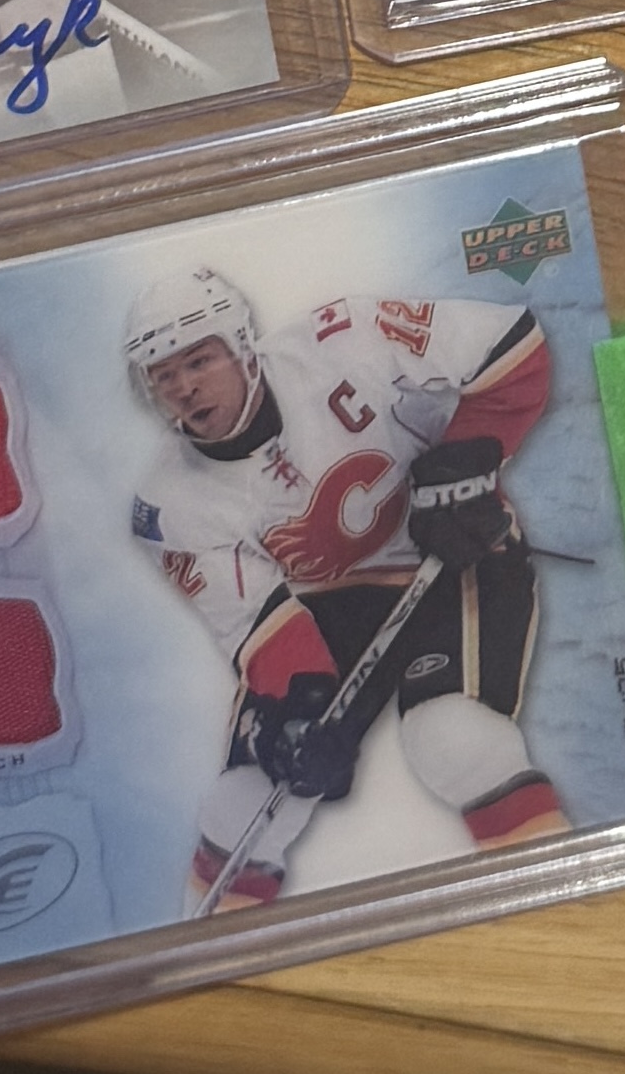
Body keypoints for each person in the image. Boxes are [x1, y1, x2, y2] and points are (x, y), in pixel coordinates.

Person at [125, 266, 567, 911]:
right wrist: (297, 714)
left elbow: (511, 346)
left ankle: (560, 902)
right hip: (327, 601)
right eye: (164, 375)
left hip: (451, 552)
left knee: (455, 739)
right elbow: (256, 623)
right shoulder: (169, 505)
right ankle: (213, 944)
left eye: (199, 360)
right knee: (247, 805)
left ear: (243, 346)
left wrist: (467, 461)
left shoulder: (346, 338)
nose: (185, 387)